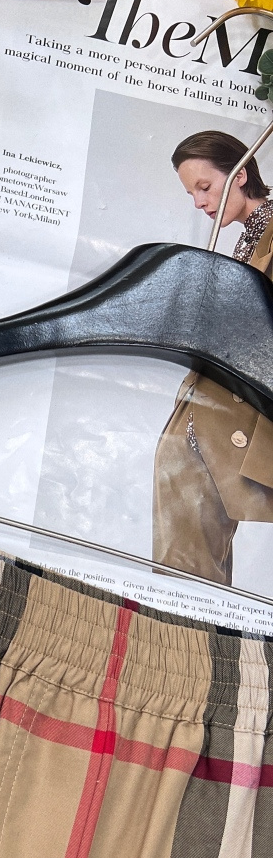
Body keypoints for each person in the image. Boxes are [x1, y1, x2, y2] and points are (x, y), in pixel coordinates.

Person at [153, 130, 273, 586]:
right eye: (191, 194)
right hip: (205, 413)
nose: (200, 202)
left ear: (240, 175)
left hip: (234, 419)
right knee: (187, 560)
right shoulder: (249, 238)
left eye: (204, 187)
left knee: (186, 567)